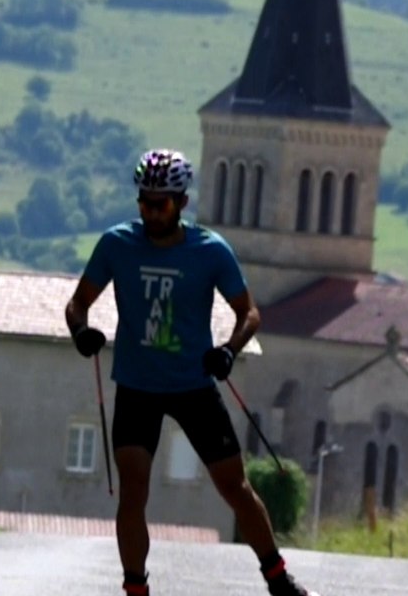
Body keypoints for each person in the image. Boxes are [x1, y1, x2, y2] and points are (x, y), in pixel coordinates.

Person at [64, 149, 319, 596]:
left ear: (181, 202)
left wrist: (229, 350)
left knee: (235, 488)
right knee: (133, 492)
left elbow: (249, 313)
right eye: (144, 201)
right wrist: (81, 331)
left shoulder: (210, 251)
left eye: (160, 203)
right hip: (137, 388)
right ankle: (135, 588)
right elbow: (77, 303)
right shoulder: (117, 244)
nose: (150, 211)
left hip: (193, 386)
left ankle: (279, 581)